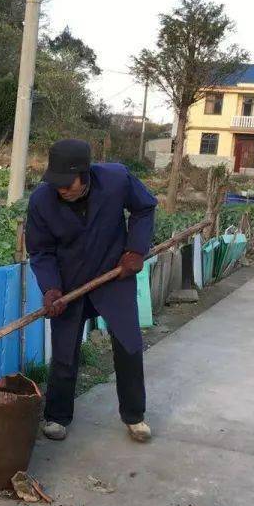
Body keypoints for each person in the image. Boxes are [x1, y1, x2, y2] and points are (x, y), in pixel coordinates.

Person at [25, 138, 157, 442]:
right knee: (64, 350)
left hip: (113, 276)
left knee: (128, 343)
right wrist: (51, 289)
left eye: (67, 184)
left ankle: (134, 416)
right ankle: (57, 416)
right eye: (55, 183)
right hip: (68, 283)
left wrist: (136, 250)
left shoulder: (116, 179)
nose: (61, 189)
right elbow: (41, 251)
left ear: (85, 174)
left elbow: (145, 208)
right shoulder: (41, 201)